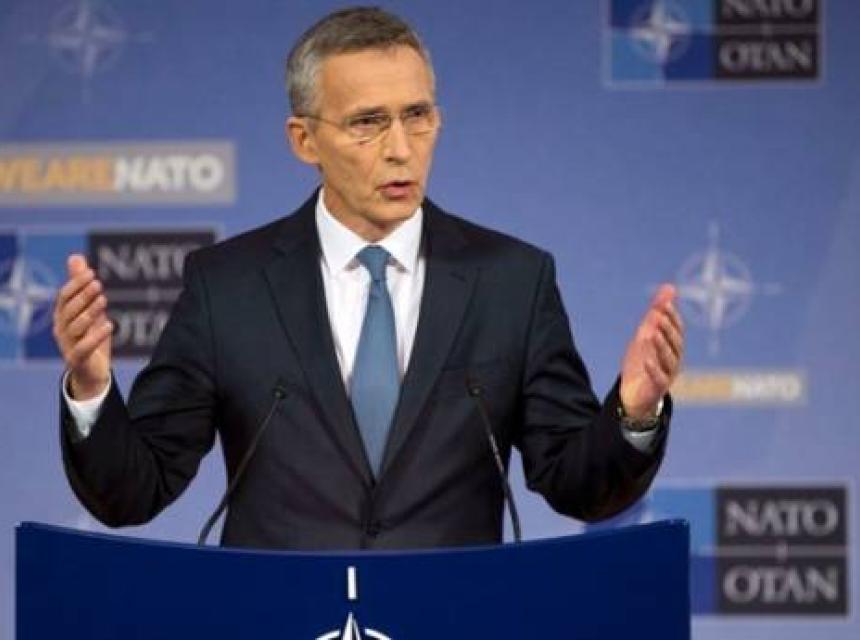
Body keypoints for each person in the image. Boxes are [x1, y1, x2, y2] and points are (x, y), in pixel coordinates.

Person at [53, 7, 684, 550]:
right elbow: (133, 492)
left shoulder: (511, 282)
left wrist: (634, 411)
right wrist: (90, 388)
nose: (400, 148)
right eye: (367, 122)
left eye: (417, 115)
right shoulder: (227, 286)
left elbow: (579, 486)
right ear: (304, 140)